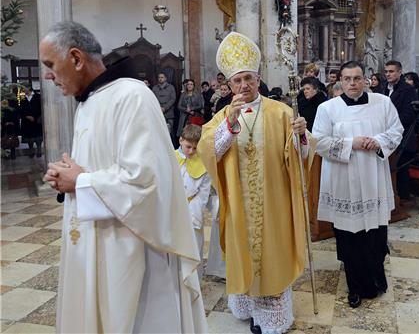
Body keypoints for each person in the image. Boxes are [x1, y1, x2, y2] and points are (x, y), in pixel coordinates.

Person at [40, 21, 207, 333]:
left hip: (135, 247)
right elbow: (98, 167)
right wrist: (67, 175)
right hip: (97, 238)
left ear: (76, 58)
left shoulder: (133, 97)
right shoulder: (88, 102)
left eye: (50, 65)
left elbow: (146, 182)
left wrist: (81, 181)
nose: (47, 76)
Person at [198, 31, 313, 334]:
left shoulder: (281, 112)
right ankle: (248, 310)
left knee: (273, 257)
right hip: (239, 204)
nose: (244, 85)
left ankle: (272, 318)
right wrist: (229, 126)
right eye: (237, 80)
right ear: (228, 84)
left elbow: (301, 155)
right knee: (243, 253)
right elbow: (207, 150)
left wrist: (301, 135)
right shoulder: (223, 115)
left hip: (273, 202)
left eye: (248, 78)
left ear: (258, 79)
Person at [312, 60, 403, 309]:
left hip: (373, 176)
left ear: (365, 79)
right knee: (349, 236)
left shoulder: (383, 103)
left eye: (357, 78)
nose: (353, 83)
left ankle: (376, 279)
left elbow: (396, 131)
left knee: (375, 234)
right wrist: (351, 143)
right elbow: (318, 141)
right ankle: (355, 286)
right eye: (347, 79)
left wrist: (378, 141)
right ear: (339, 80)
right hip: (344, 178)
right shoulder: (327, 108)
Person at [176, 124, 225, 282]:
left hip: (192, 214)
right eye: (188, 147)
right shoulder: (171, 158)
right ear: (181, 140)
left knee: (193, 251)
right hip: (174, 210)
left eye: (195, 148)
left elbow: (202, 195)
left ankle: (193, 284)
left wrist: (191, 215)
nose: (191, 151)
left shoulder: (203, 164)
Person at [384, 60, 417, 203]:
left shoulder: (408, 90)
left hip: (402, 135)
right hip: (385, 134)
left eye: (391, 71)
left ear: (399, 72)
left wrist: (392, 127)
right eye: (386, 72)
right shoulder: (384, 88)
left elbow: (408, 114)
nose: (388, 74)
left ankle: (402, 197)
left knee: (401, 167)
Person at [19, 86, 43, 158]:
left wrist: (35, 117)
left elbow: (41, 108)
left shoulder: (38, 96)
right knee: (29, 138)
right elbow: (20, 109)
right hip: (26, 121)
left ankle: (39, 151)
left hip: (36, 121)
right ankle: (31, 152)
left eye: (24, 89)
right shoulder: (22, 98)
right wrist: (26, 116)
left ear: (29, 89)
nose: (23, 91)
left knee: (38, 138)